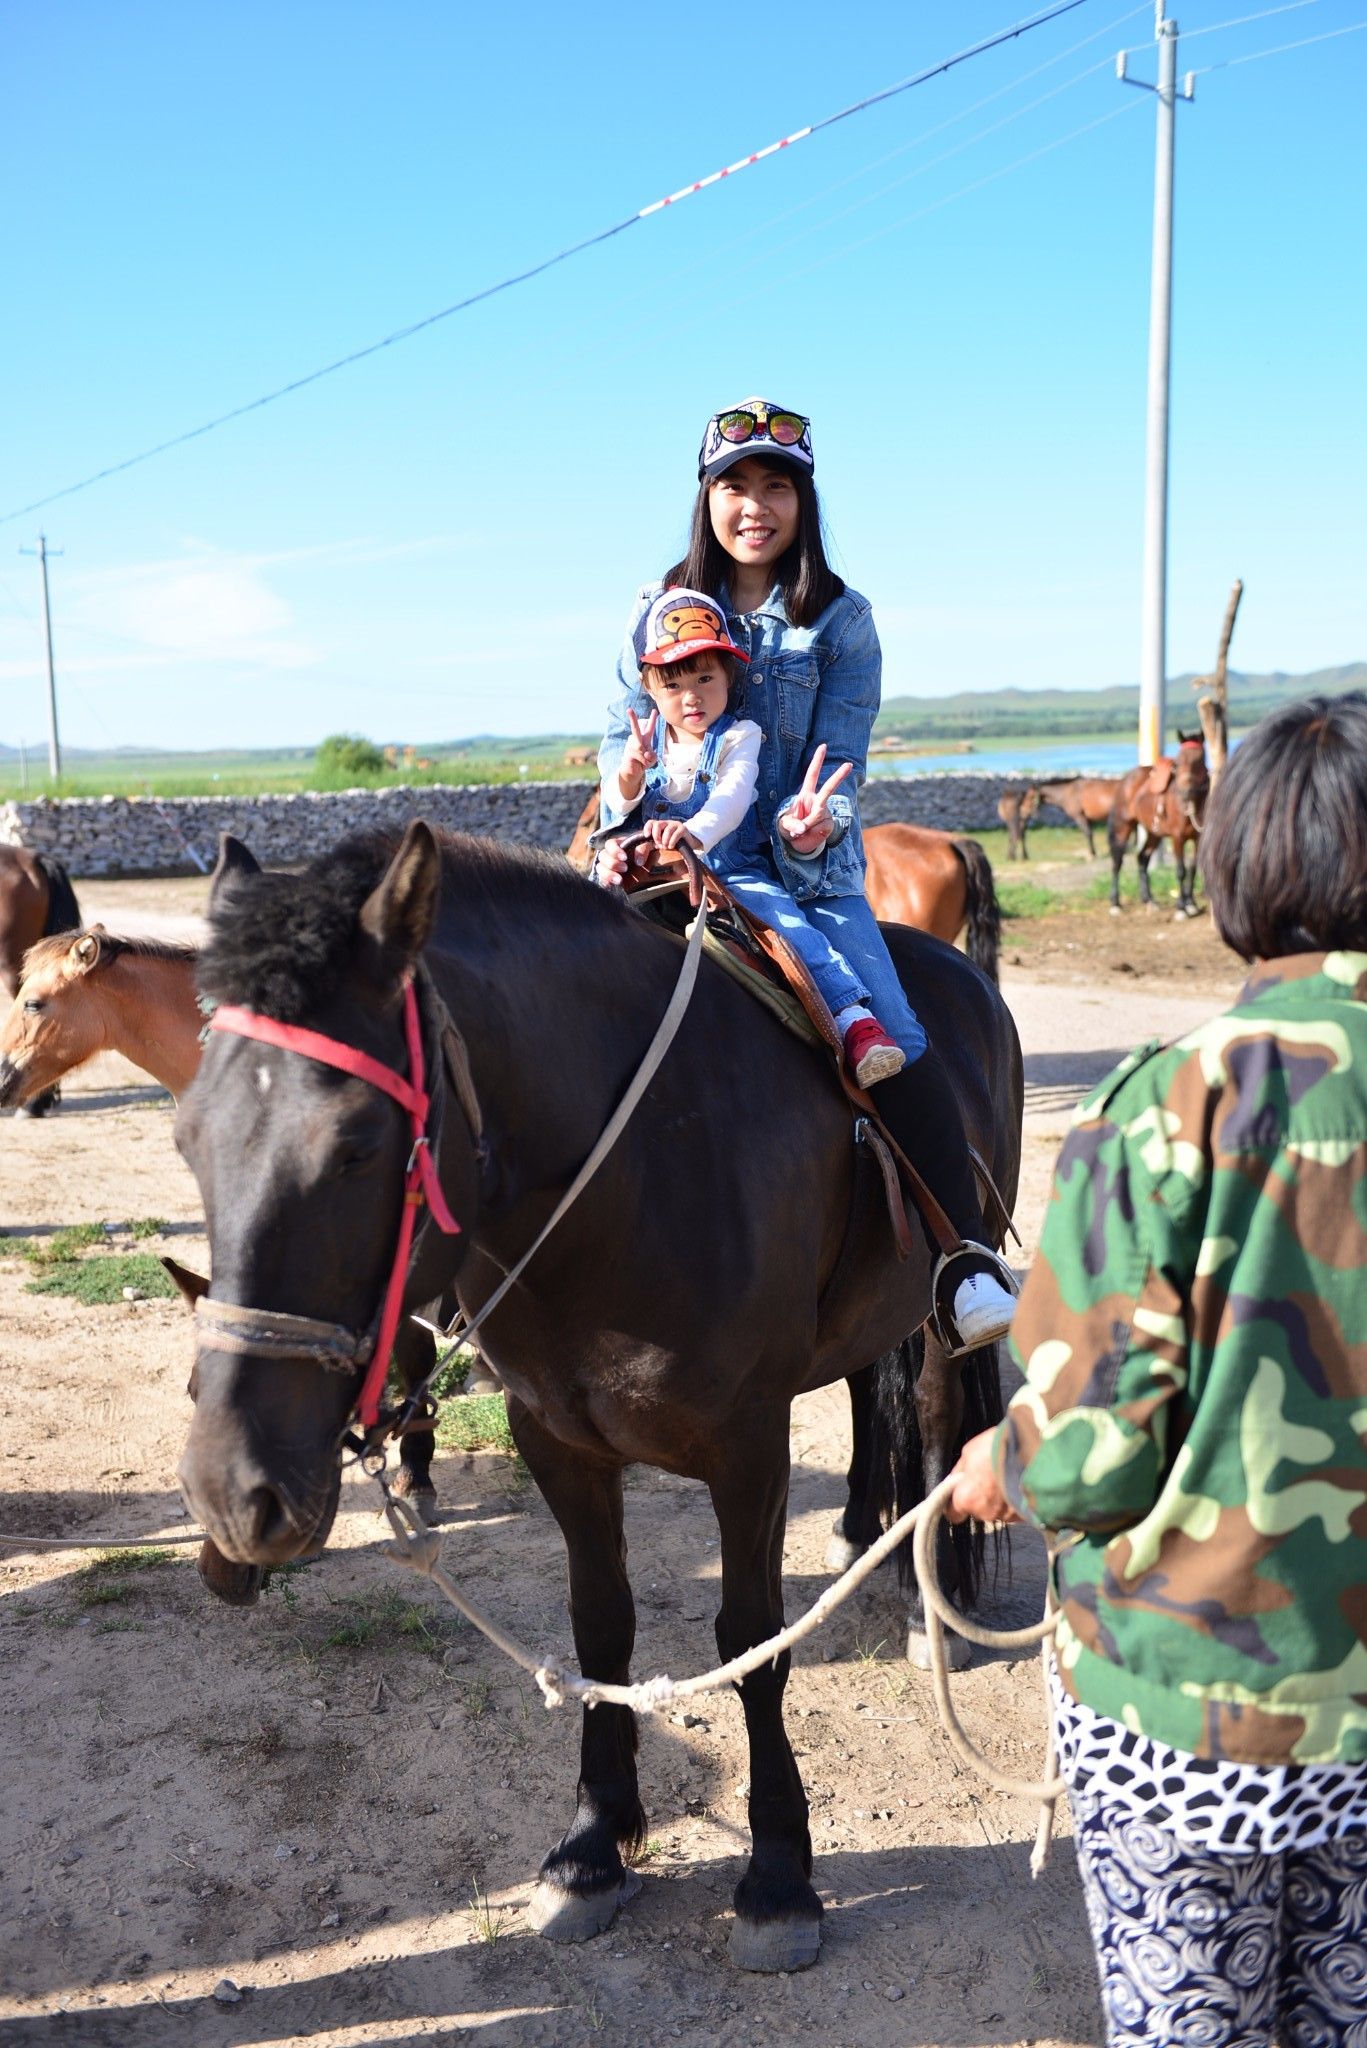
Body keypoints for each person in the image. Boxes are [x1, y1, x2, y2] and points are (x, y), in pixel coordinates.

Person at [948, 694, 1367, 2048]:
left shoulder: (1164, 1103)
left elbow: (1087, 1455)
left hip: (1186, 1728)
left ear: (1233, 864)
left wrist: (999, 1457)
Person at [598, 397, 1018, 1352]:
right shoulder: (653, 609)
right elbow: (623, 736)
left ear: (803, 499)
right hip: (666, 854)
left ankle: (960, 1262)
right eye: (734, 485)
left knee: (895, 1032)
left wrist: (806, 826)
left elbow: (838, 767)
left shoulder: (839, 620)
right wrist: (622, 794)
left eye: (775, 484)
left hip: (800, 870)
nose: (754, 504)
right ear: (706, 499)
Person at [596, 583, 908, 1087]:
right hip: (654, 867)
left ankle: (855, 1021)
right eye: (672, 686)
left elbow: (732, 799)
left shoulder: (740, 737)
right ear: (650, 690)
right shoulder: (646, 741)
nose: (691, 696)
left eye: (705, 678)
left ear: (729, 677)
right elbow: (620, 798)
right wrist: (630, 773)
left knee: (790, 930)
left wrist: (692, 832)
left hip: (730, 868)